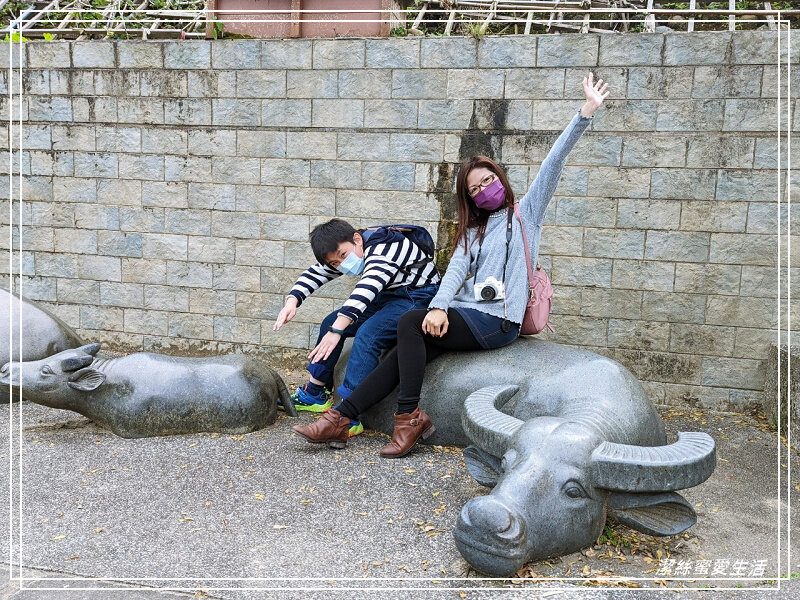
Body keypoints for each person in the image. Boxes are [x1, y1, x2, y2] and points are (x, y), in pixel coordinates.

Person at [293, 72, 610, 456]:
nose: (483, 191)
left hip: (499, 321)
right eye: (474, 190)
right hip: (466, 313)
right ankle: (340, 419)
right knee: (402, 350)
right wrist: (439, 306)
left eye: (487, 181)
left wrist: (584, 114)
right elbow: (455, 272)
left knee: (409, 321)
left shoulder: (526, 215)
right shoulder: (471, 232)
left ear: (500, 179)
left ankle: (408, 418)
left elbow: (553, 163)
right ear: (471, 200)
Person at [273, 218, 440, 437]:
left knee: (368, 335)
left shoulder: (385, 247)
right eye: (335, 263)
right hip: (389, 295)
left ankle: (347, 415)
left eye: (342, 256)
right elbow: (316, 272)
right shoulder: (351, 248)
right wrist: (292, 301)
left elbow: (367, 288)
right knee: (329, 322)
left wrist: (338, 331)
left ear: (357, 239)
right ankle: (316, 393)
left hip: (417, 297)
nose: (342, 264)